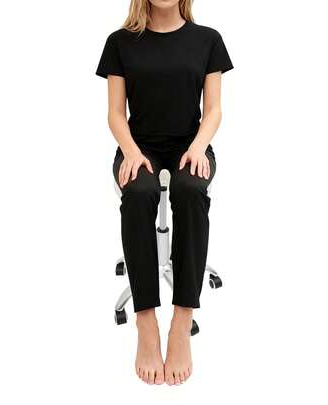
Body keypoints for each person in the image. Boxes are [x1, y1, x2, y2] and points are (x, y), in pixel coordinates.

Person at [96, 0, 233, 386]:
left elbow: (214, 110)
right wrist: (131, 151)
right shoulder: (120, 42)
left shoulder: (208, 40)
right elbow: (115, 114)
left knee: (190, 189)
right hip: (137, 146)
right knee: (140, 192)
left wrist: (199, 146)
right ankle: (145, 323)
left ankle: (182, 321)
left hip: (191, 144)